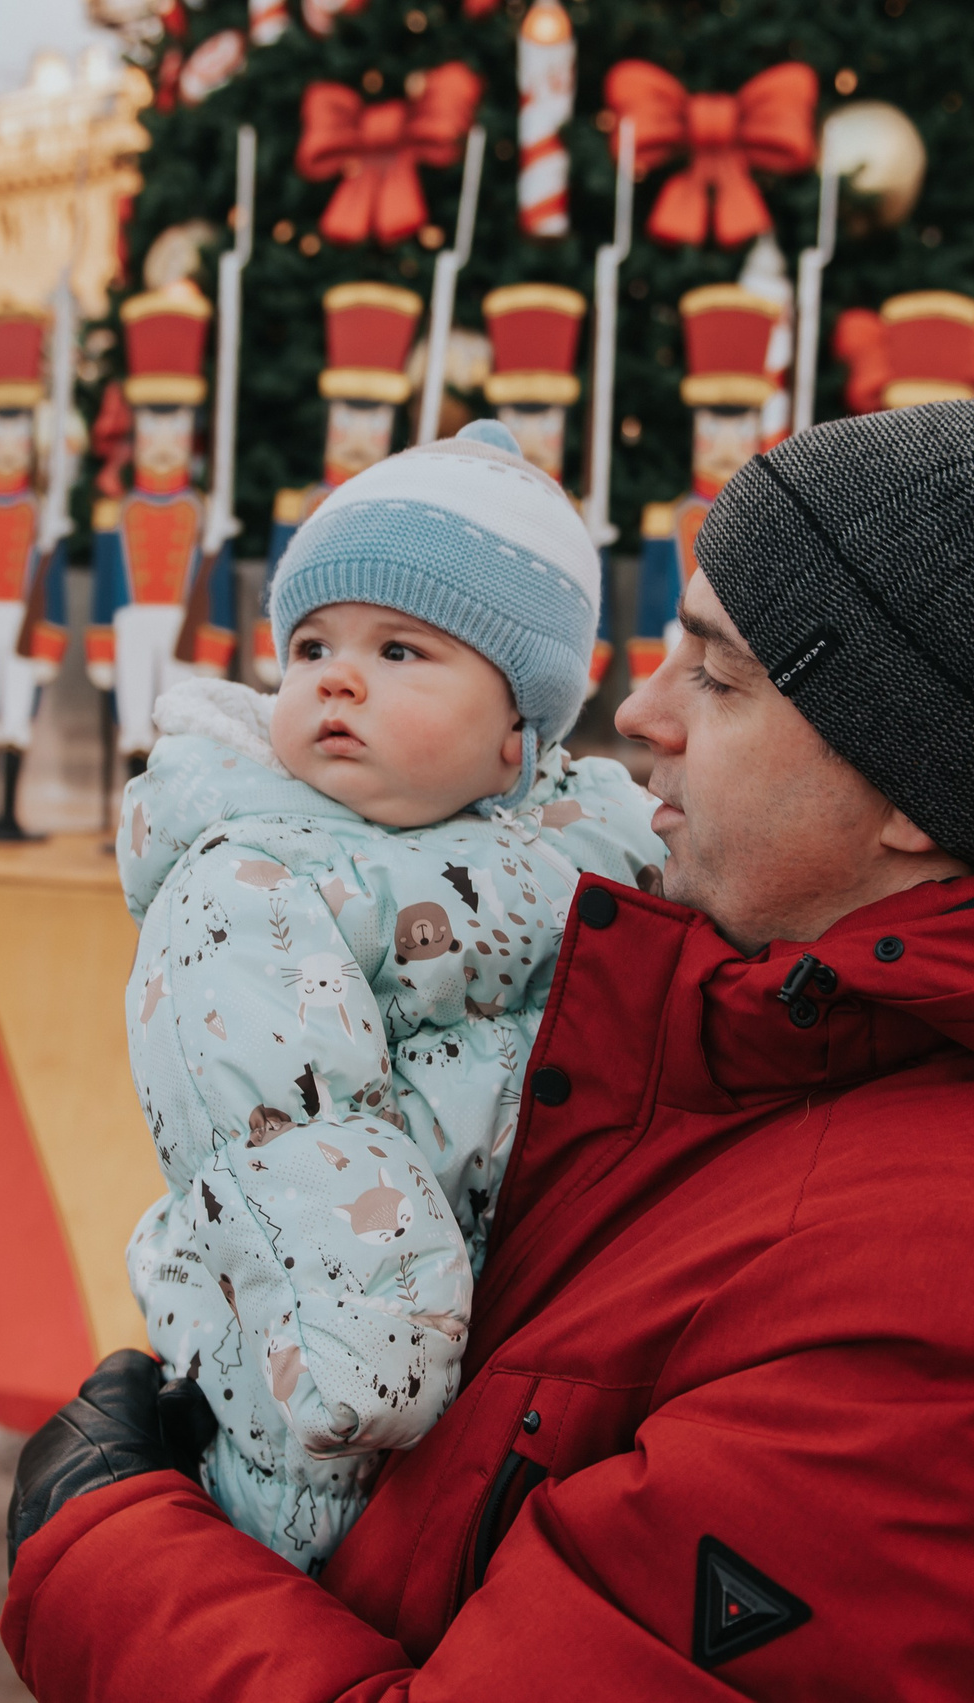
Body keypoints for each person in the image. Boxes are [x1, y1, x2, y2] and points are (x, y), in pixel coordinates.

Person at [5, 401, 974, 1701]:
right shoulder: (756, 1034)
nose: (638, 713)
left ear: (917, 797)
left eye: (718, 674)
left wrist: (108, 1554)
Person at [109, 419, 663, 1575]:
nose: (336, 677)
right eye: (310, 646)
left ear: (522, 726)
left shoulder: (601, 848)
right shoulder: (252, 875)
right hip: (327, 1391)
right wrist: (365, 1364)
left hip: (518, 1357)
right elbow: (287, 1129)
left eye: (401, 650)